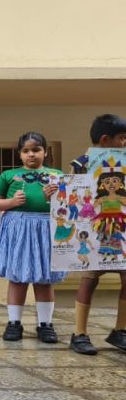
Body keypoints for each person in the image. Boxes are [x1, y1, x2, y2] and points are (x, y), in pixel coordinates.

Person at [0, 132, 64, 343]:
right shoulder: (8, 176)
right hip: (18, 228)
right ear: (20, 154)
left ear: (45, 152)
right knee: (17, 277)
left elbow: (70, 205)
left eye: (36, 150)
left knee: (45, 278)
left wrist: (56, 198)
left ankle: (45, 324)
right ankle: (14, 323)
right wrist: (11, 202)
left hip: (46, 228)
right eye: (26, 150)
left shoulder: (57, 175)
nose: (31, 154)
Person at [69, 114, 126, 355]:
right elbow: (72, 192)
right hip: (95, 230)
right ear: (105, 139)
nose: (124, 143)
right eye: (121, 138)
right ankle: (79, 333)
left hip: (121, 228)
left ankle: (120, 330)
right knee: (90, 277)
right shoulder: (81, 163)